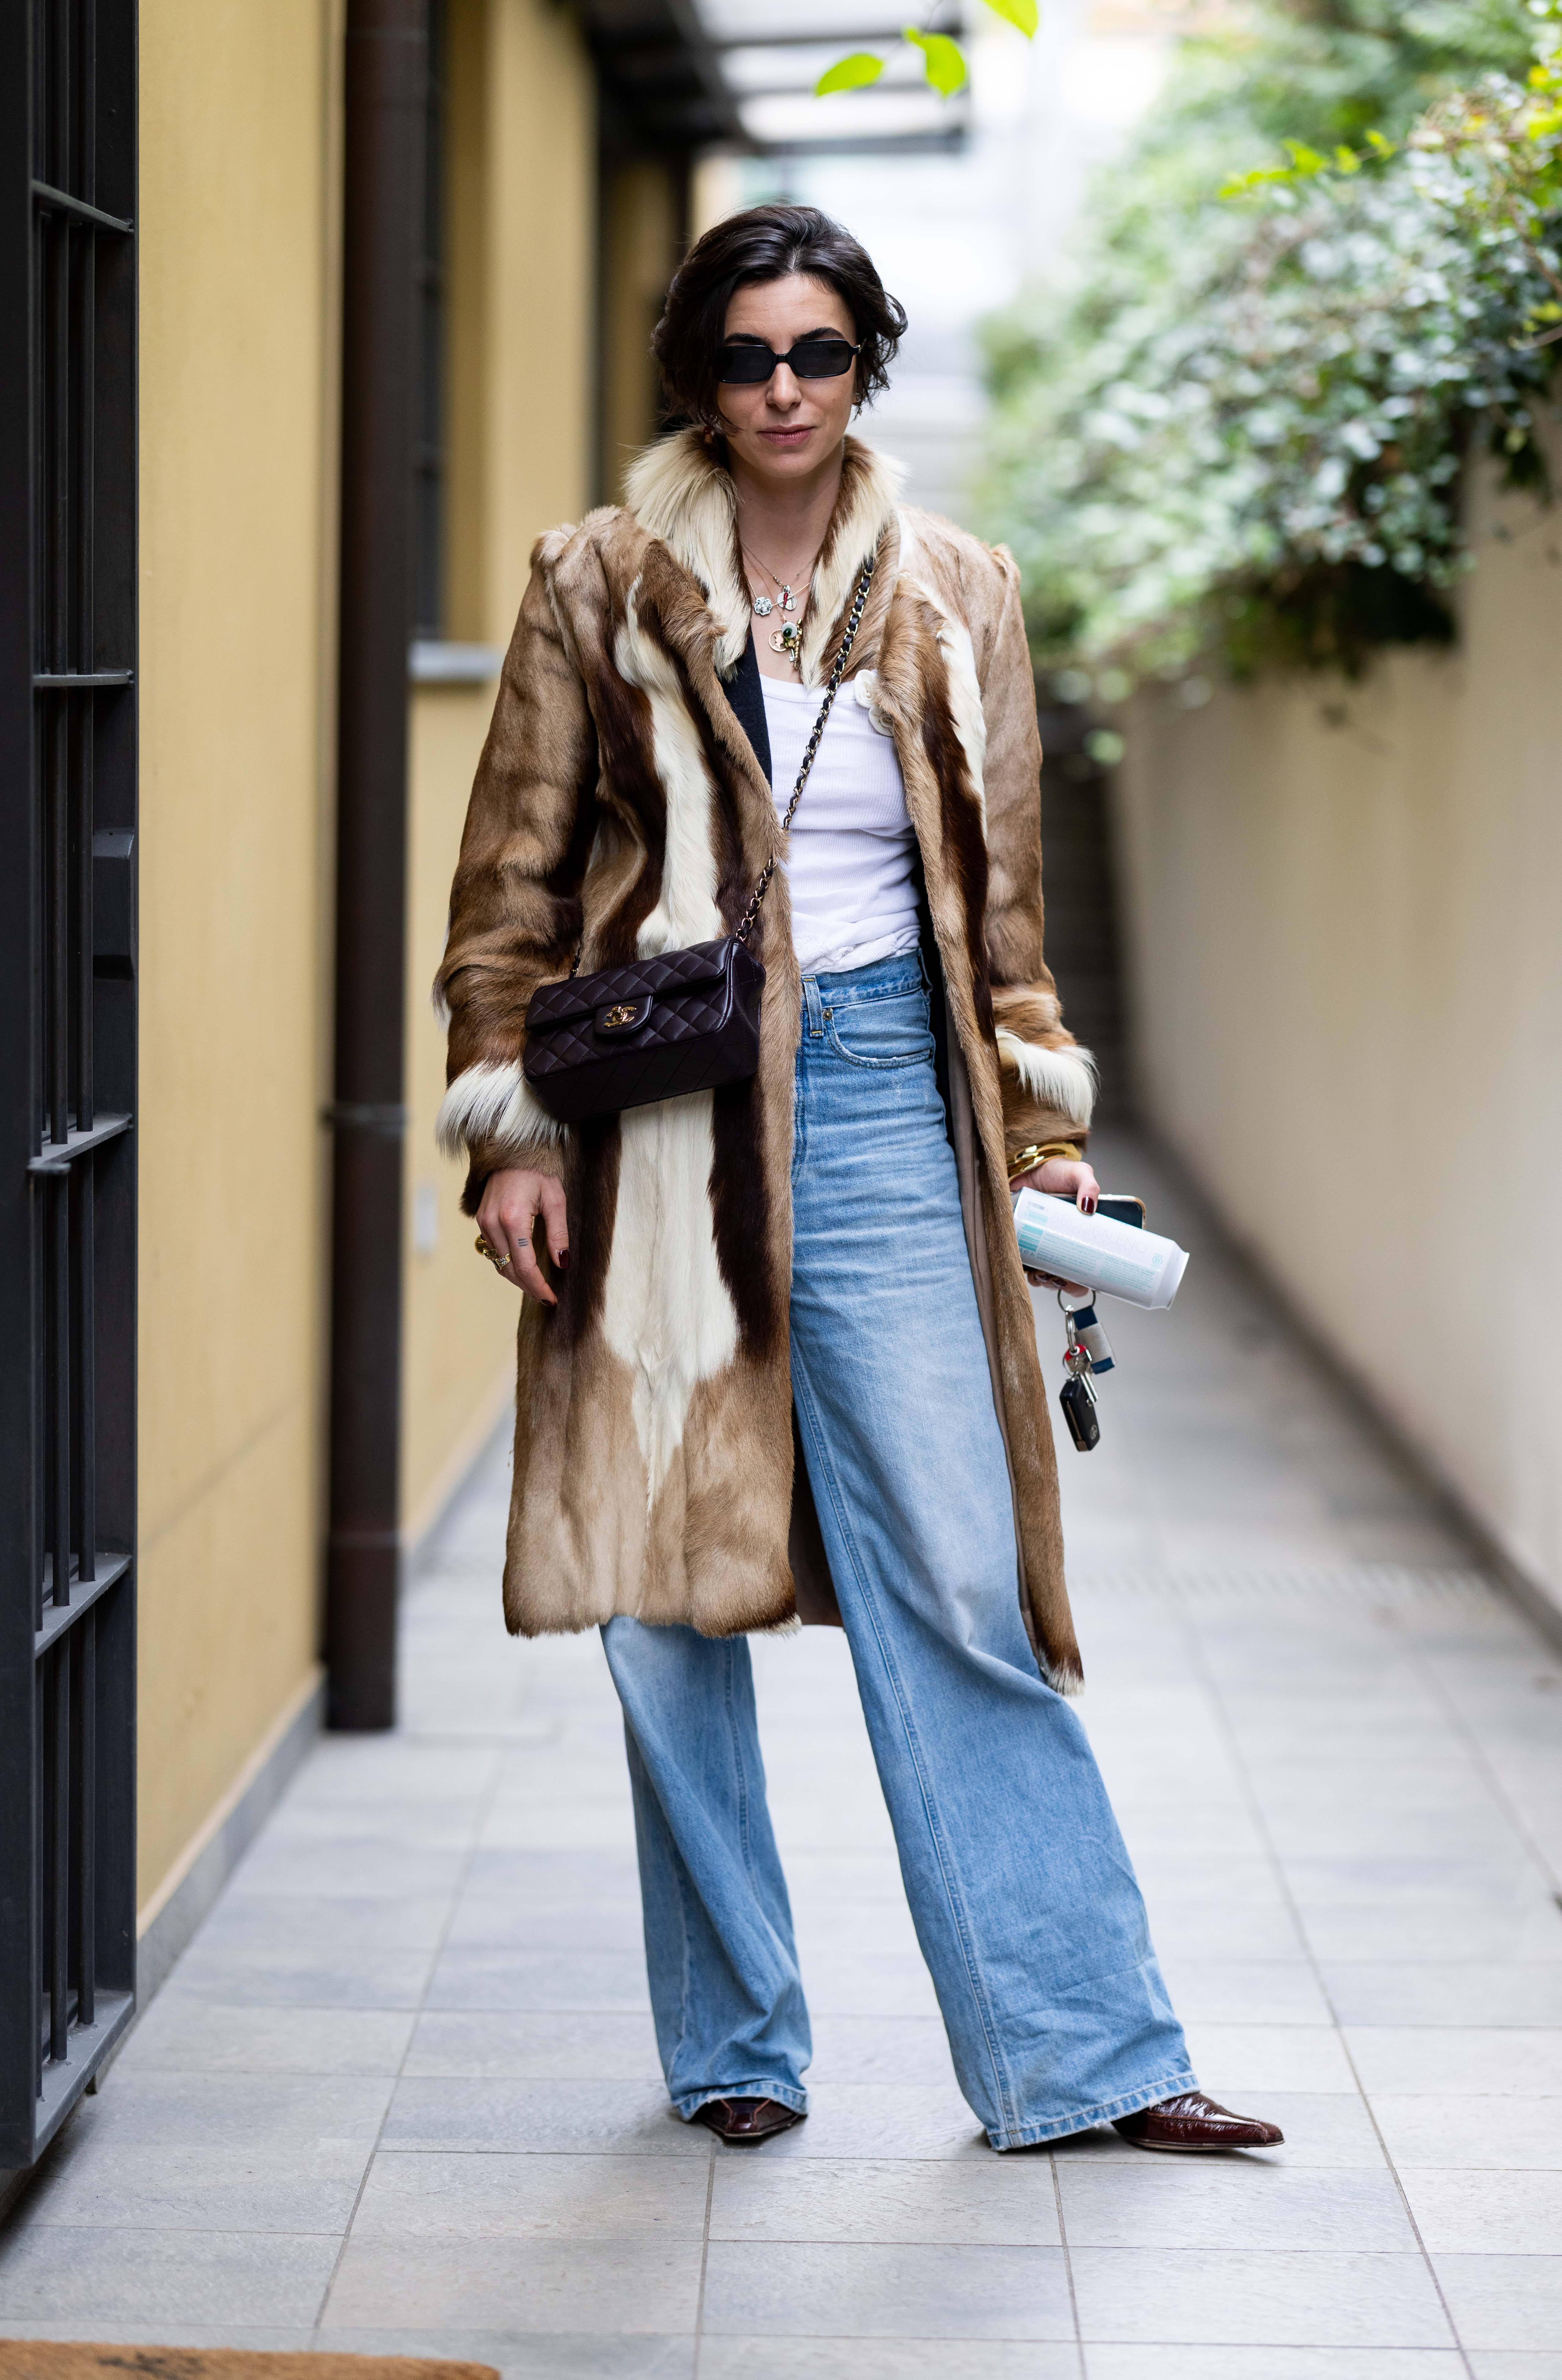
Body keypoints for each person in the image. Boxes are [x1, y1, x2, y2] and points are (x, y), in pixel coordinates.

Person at [436, 203, 1281, 2157]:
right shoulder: (599, 581)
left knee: (963, 1579)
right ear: (698, 377)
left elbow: (1003, 906)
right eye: (748, 358)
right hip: (656, 1109)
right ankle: (734, 2040)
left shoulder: (957, 587)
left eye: (820, 353)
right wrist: (507, 1128)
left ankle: (1084, 2055)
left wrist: (1046, 1130)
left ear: (865, 365)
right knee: (665, 1595)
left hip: (897, 1091)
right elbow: (512, 885)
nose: (786, 390)